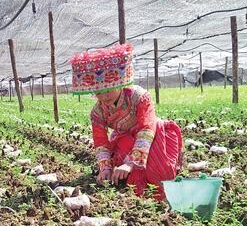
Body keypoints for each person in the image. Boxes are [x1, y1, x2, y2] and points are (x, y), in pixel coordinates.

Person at [70, 43, 183, 200]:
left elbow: (147, 128)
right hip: (125, 139)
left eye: (108, 89)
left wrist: (131, 163)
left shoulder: (139, 97)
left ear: (119, 82)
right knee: (123, 173)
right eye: (99, 92)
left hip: (153, 134)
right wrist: (105, 168)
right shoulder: (97, 112)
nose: (104, 96)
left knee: (161, 172)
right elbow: (101, 143)